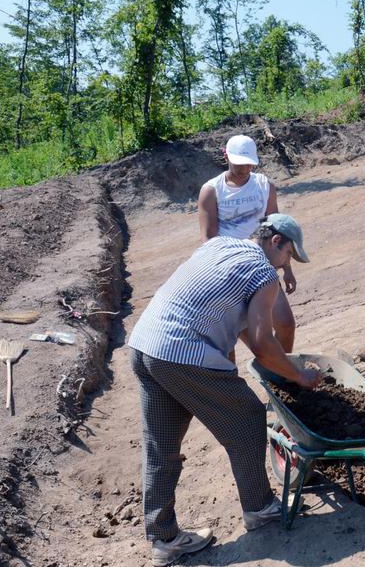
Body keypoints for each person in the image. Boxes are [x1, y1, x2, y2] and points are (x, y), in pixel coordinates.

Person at [128, 213, 322, 566]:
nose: (285, 266)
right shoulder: (263, 273)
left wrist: (273, 364)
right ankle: (260, 508)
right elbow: (264, 341)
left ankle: (164, 539)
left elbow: (238, 324)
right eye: (289, 256)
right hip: (181, 351)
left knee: (161, 446)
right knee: (247, 417)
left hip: (144, 345)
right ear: (276, 242)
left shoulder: (218, 246)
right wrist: (298, 376)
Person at [198, 134, 299, 353]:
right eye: (239, 163)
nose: (245, 169)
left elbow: (276, 231)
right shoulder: (212, 191)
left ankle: (284, 376)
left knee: (285, 324)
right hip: (229, 271)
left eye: (249, 164)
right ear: (225, 155)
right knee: (231, 339)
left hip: (261, 267)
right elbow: (209, 240)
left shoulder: (264, 186)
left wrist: (287, 269)